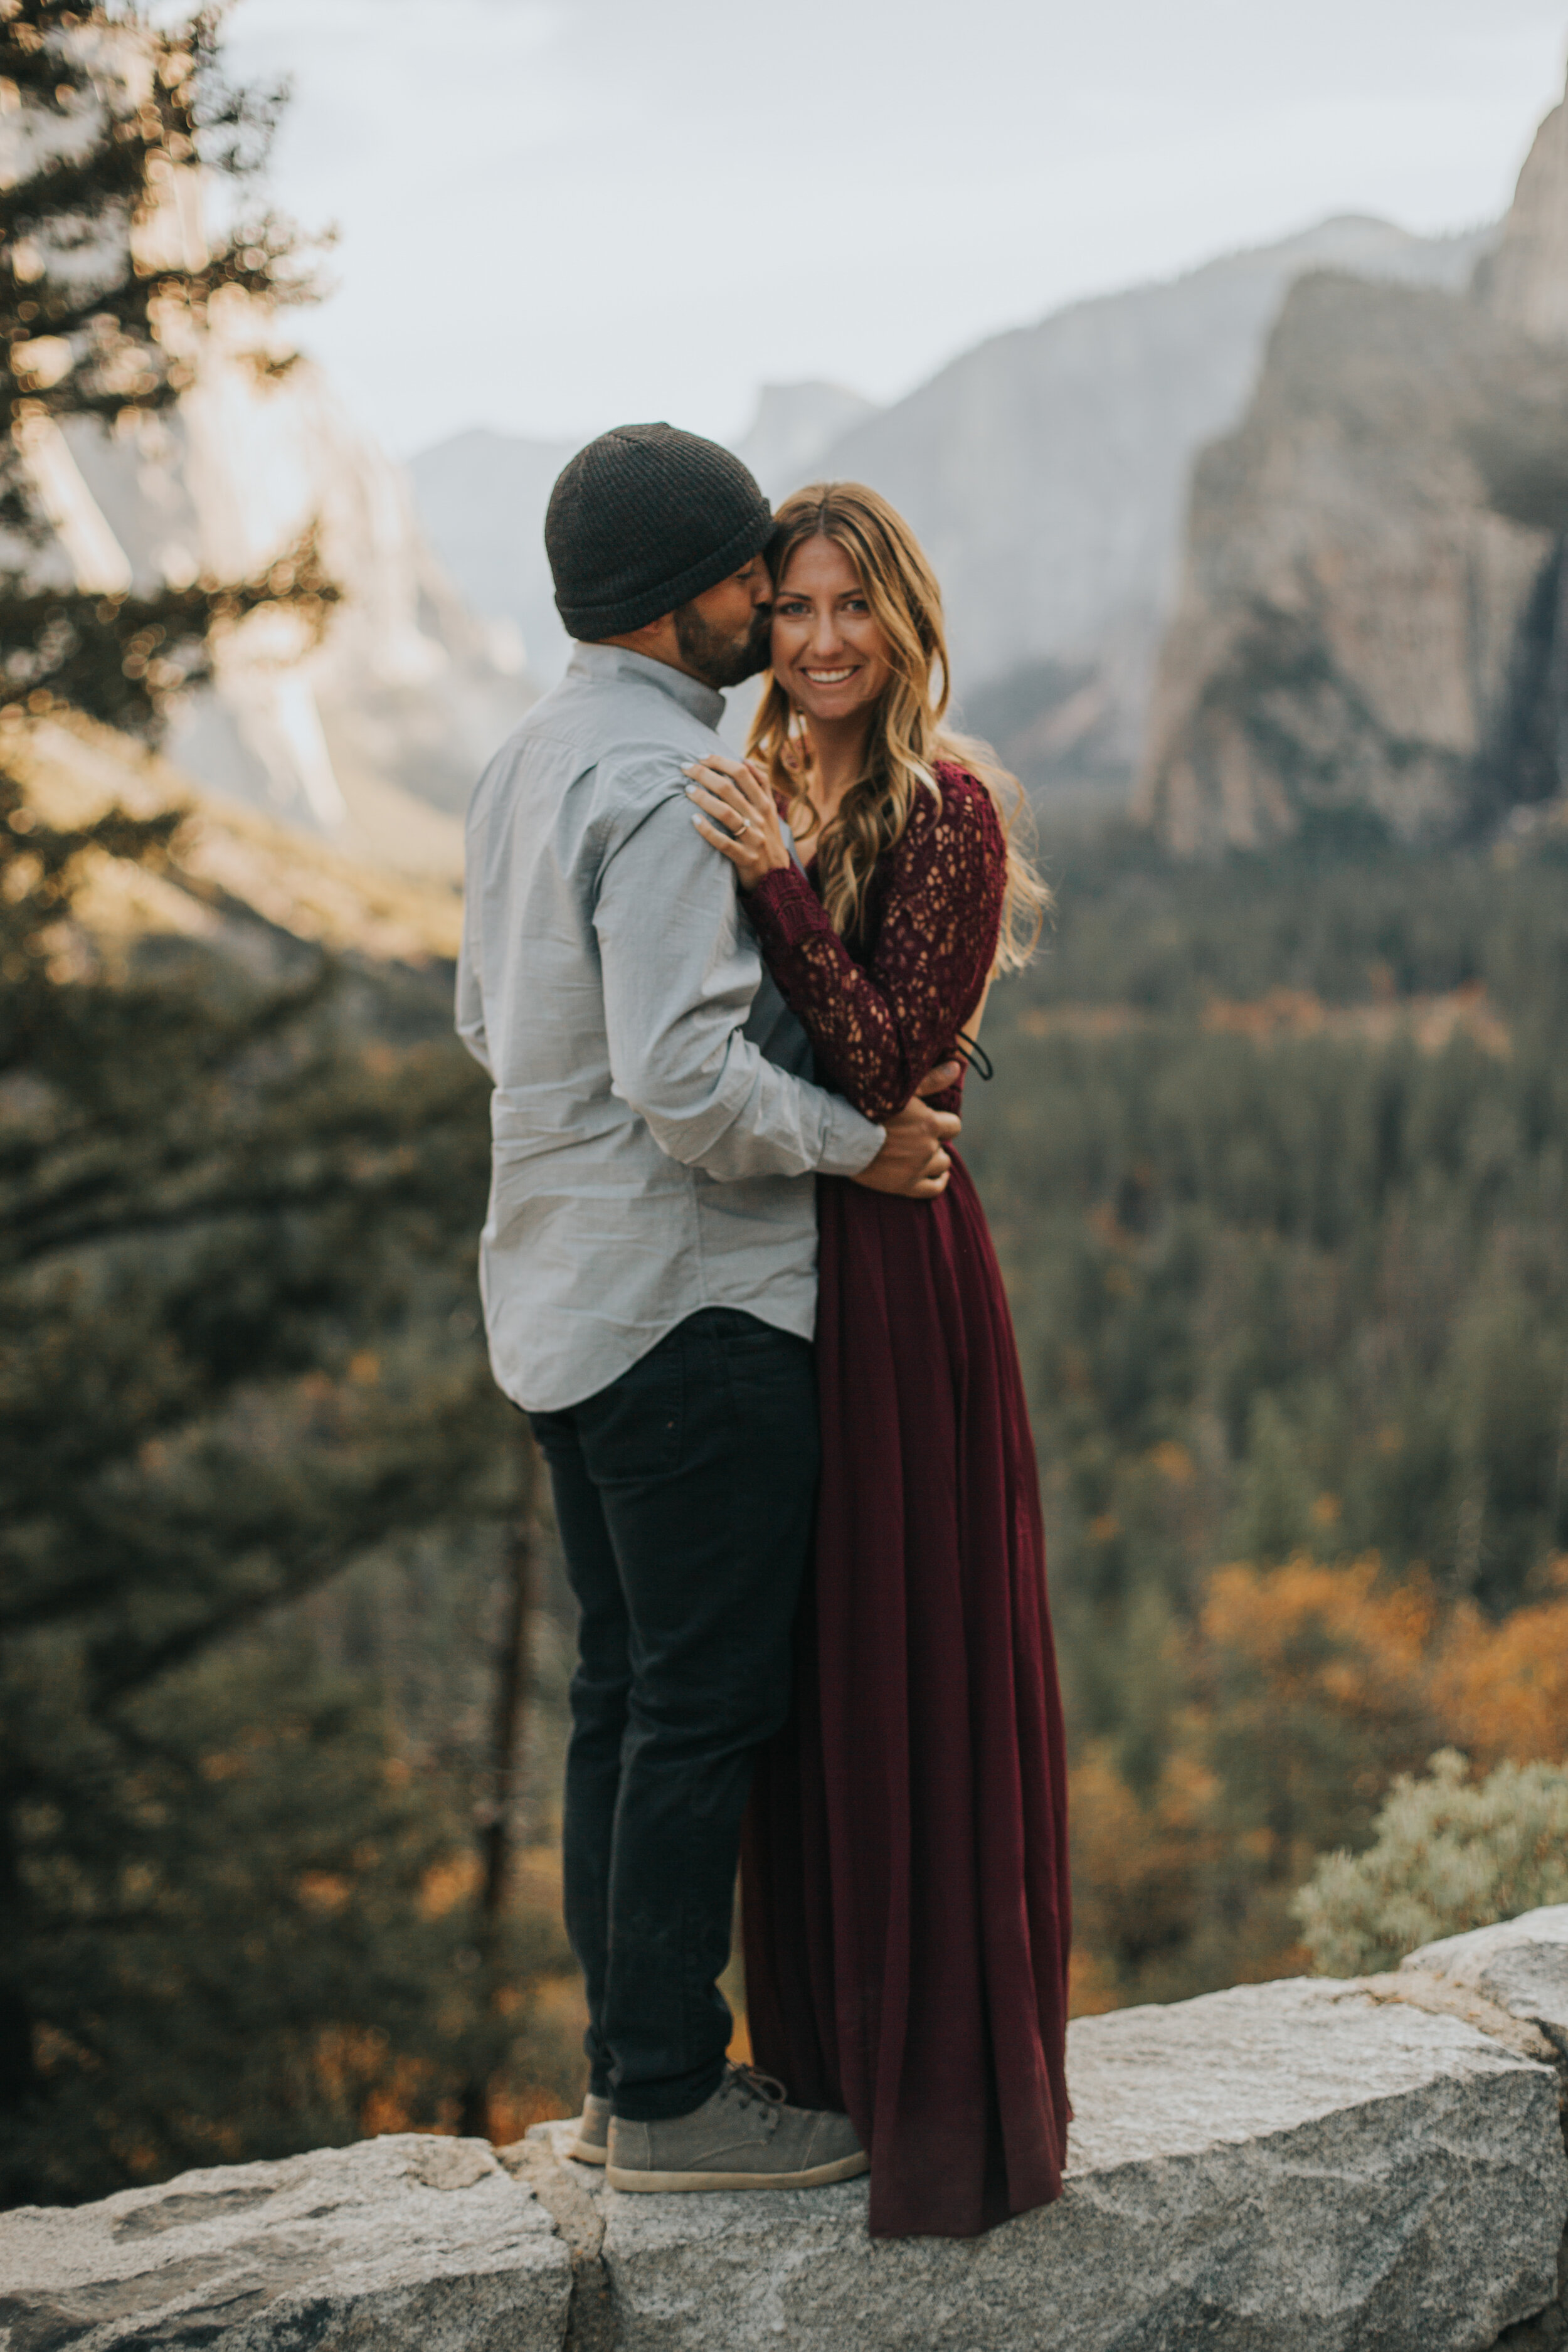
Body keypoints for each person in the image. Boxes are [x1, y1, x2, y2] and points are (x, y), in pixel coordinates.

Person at [456, 424, 961, 2195]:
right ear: (688, 601)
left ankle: (625, 2076)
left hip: (556, 1298)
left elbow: (488, 1025)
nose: (771, 600)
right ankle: (669, 2091)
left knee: (623, 1692)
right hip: (691, 1310)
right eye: (754, 573)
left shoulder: (527, 763)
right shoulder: (670, 793)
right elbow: (684, 1088)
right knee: (701, 1708)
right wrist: (854, 1143)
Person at [684, 480, 1072, 2238]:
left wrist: (772, 881)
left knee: (909, 1645)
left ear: (905, 619)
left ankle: (940, 2097)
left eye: (855, 607)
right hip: (761, 1258)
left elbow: (883, 1063)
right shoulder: (738, 777)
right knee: (803, 1657)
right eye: (794, 610)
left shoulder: (950, 809)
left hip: (896, 1271)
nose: (823, 641)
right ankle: (825, 2064)